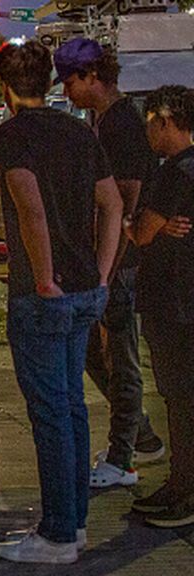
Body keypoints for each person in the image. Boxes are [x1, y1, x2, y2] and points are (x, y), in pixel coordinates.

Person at [0, 40, 122, 564]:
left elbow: (31, 210)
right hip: (87, 286)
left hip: (43, 293)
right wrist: (104, 272)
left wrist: (44, 277)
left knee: (50, 413)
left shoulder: (10, 136)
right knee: (71, 407)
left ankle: (58, 533)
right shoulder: (77, 130)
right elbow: (111, 204)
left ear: (4, 83)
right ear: (48, 79)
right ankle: (75, 523)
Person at [53, 38, 165, 488]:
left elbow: (126, 198)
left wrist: (109, 265)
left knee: (119, 356)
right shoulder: (103, 119)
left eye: (70, 81)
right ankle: (138, 434)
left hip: (119, 258)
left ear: (91, 76)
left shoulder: (121, 124)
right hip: (107, 257)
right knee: (98, 353)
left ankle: (124, 455)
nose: (67, 92)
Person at [128, 85, 194, 528]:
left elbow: (141, 232)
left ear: (165, 120)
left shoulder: (173, 172)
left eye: (150, 121)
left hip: (172, 303)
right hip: (183, 299)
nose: (147, 131)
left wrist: (143, 225)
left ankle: (183, 491)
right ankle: (180, 485)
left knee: (179, 399)